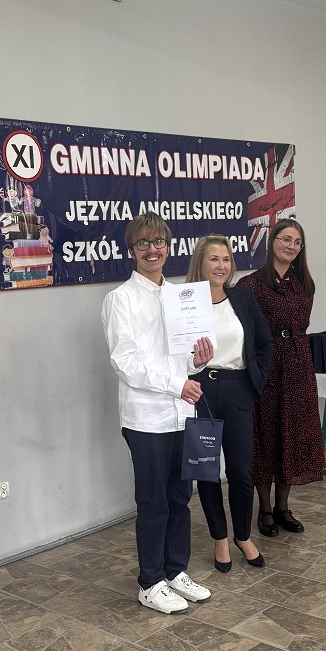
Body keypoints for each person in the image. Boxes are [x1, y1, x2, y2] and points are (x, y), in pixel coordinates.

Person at [102, 215, 215, 614]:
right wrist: (175, 385)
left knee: (180, 498)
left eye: (159, 242)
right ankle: (150, 582)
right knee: (153, 503)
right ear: (131, 250)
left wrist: (199, 361)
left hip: (181, 414)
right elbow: (125, 362)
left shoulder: (181, 297)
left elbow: (185, 359)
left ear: (169, 246)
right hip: (146, 419)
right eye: (143, 243)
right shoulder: (120, 300)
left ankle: (174, 570)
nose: (152, 250)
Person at [186, 235, 273, 572]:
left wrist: (254, 384)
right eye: (214, 259)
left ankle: (242, 536)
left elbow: (264, 344)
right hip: (201, 391)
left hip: (238, 389)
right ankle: (220, 538)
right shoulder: (185, 302)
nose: (221, 265)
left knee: (240, 470)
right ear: (200, 263)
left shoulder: (243, 298)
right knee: (207, 470)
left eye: (226, 259)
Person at [239, 217, 324, 537]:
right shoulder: (250, 285)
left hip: (298, 366)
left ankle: (283, 507)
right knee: (265, 436)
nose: (291, 246)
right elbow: (242, 332)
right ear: (272, 241)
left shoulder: (304, 284)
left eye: (297, 242)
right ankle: (264, 510)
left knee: (292, 434)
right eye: (285, 239)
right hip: (266, 368)